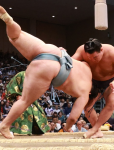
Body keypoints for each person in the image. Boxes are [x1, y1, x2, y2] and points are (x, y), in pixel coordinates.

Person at [0, 6, 94, 139]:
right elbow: (73, 117)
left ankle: (8, 21)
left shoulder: (85, 65)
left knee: (15, 37)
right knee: (25, 100)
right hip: (51, 68)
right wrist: (67, 127)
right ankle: (4, 125)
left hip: (53, 50)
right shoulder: (85, 91)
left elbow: (71, 59)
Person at [72, 38, 114, 138]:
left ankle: (94, 129)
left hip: (113, 80)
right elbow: (70, 63)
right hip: (94, 81)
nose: (92, 60)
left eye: (95, 57)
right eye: (89, 57)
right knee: (87, 107)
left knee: (112, 103)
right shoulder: (81, 51)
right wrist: (61, 55)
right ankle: (98, 131)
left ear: (101, 50)